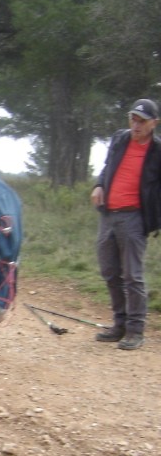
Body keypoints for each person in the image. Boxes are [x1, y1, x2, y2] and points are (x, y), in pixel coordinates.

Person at [90, 98, 161, 351]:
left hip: (134, 218)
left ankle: (135, 330)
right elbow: (108, 166)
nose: (136, 124)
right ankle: (119, 325)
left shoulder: (157, 150)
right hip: (108, 214)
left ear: (154, 123)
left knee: (132, 276)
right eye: (133, 118)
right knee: (110, 272)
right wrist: (99, 185)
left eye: (142, 120)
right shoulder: (120, 139)